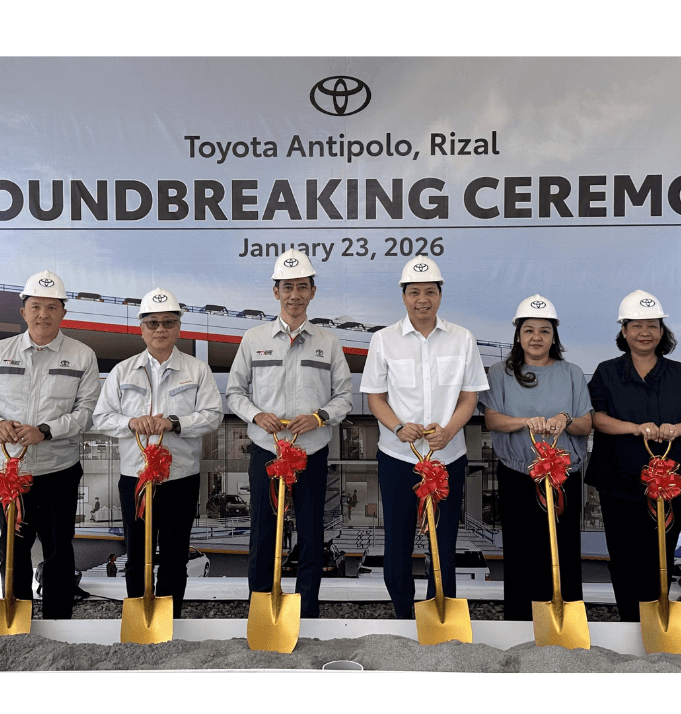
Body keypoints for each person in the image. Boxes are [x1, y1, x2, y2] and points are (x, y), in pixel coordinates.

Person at [360, 256, 488, 619]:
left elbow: (469, 396)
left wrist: (450, 431)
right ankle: (404, 616)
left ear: (440, 295)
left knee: (443, 544)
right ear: (403, 297)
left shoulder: (462, 339)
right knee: (397, 545)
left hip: (448, 457)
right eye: (414, 292)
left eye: (429, 291)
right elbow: (374, 397)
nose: (422, 299)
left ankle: (438, 616)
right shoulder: (383, 340)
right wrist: (399, 427)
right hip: (400, 458)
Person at [226, 249, 352, 618]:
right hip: (268, 450)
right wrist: (256, 415)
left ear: (313, 292)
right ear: (275, 292)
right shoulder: (253, 339)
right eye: (286, 287)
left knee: (311, 534)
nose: (294, 294)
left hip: (311, 451)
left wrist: (320, 417)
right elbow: (235, 392)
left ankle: (307, 613)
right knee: (264, 533)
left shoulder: (327, 342)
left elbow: (345, 395)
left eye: (301, 287)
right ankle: (262, 612)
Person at [0, 270, 100, 620]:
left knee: (58, 550)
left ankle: (58, 623)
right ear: (23, 311)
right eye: (36, 306)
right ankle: (17, 620)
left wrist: (47, 430)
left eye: (52, 307)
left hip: (58, 471)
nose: (43, 314)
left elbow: (87, 412)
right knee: (12, 549)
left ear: (63, 313)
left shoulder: (82, 355)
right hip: (10, 474)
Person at [92, 287, 222, 617]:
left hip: (180, 479)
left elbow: (212, 415)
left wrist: (175, 424)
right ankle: (139, 622)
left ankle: (167, 623)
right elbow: (102, 417)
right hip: (136, 480)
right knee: (137, 554)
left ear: (179, 327)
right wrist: (132, 423)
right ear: (141, 328)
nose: (160, 329)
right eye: (152, 323)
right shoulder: (122, 372)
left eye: (167, 322)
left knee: (175, 556)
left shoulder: (197, 371)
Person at [584, 289, 681, 622]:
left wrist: (678, 429)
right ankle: (629, 623)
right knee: (623, 557)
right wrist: (633, 427)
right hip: (618, 482)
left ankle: (657, 623)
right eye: (636, 326)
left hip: (668, 485)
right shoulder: (607, 372)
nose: (644, 333)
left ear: (662, 332)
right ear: (623, 332)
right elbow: (594, 417)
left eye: (652, 326)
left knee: (661, 555)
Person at [479, 294, 593, 621]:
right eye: (529, 330)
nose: (536, 337)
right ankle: (519, 624)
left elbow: (585, 425)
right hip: (518, 475)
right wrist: (526, 422)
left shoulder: (571, 373)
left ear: (554, 336)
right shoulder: (500, 373)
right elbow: (492, 420)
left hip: (563, 478)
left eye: (544, 331)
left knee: (564, 552)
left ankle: (564, 624)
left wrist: (565, 419)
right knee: (519, 553)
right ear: (518, 335)